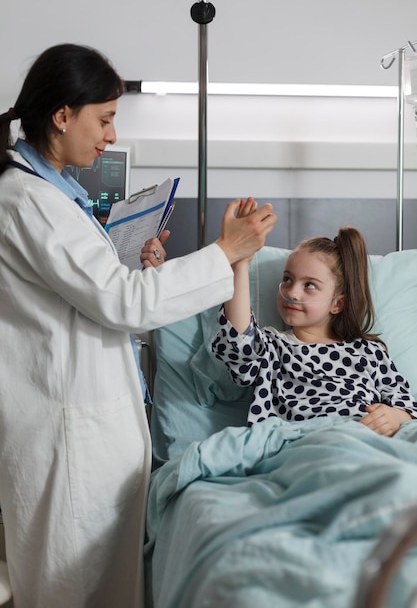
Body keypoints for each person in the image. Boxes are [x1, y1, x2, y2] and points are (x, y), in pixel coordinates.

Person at [0, 44, 276, 608]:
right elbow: (121, 302)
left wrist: (136, 263)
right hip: (67, 437)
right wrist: (225, 252)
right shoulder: (27, 200)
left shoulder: (55, 193)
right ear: (61, 116)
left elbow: (91, 290)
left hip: (85, 428)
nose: (110, 136)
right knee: (70, 591)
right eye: (103, 118)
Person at [212, 198, 417, 434]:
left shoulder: (369, 351)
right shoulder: (273, 347)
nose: (292, 292)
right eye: (287, 279)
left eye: (309, 285)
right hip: (305, 442)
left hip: (362, 437)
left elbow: (406, 405)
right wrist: (240, 264)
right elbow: (239, 344)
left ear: (337, 304)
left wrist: (393, 416)